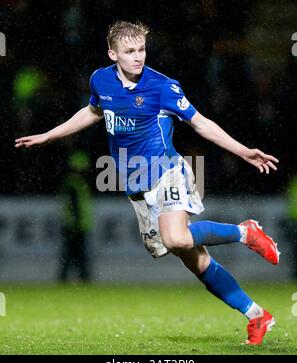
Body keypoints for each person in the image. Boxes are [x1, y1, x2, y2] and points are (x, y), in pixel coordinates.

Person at [15, 21, 280, 345]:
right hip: (135, 183)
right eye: (130, 51)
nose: (138, 57)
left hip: (167, 171)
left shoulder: (162, 87)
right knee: (191, 258)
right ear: (113, 54)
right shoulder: (100, 80)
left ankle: (244, 232)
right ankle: (256, 315)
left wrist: (243, 151)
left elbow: (200, 123)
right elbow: (92, 112)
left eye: (141, 49)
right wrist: (49, 135)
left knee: (175, 237)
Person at [59, 150, 93, 282]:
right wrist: (77, 223)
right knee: (77, 254)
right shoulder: (75, 183)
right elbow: (75, 206)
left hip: (74, 224)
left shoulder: (73, 182)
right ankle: (83, 278)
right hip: (75, 225)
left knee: (71, 254)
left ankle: (67, 278)